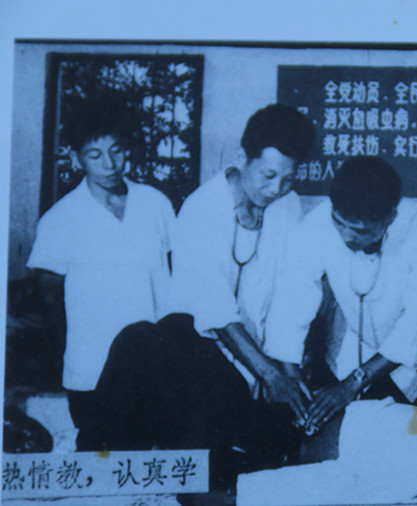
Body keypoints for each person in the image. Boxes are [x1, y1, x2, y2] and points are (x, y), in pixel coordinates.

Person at [88, 104, 316, 474]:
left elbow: (290, 295)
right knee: (140, 341)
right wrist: (272, 376)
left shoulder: (287, 207)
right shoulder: (201, 209)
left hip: (254, 362)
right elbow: (215, 311)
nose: (276, 189)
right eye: (268, 175)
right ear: (242, 158)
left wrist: (288, 375)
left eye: (288, 179)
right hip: (197, 356)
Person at [26, 96, 175, 448]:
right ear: (76, 157)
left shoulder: (155, 204)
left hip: (154, 366)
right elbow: (50, 302)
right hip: (91, 370)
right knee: (103, 460)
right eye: (95, 155)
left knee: (151, 460)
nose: (109, 164)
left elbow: (173, 276)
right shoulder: (60, 219)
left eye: (116, 151)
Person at [264, 155, 417, 433]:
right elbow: (290, 304)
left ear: (389, 218)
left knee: (401, 435)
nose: (346, 236)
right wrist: (293, 381)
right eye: (339, 223)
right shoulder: (317, 224)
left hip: (413, 363)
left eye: (359, 230)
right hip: (351, 347)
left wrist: (353, 384)